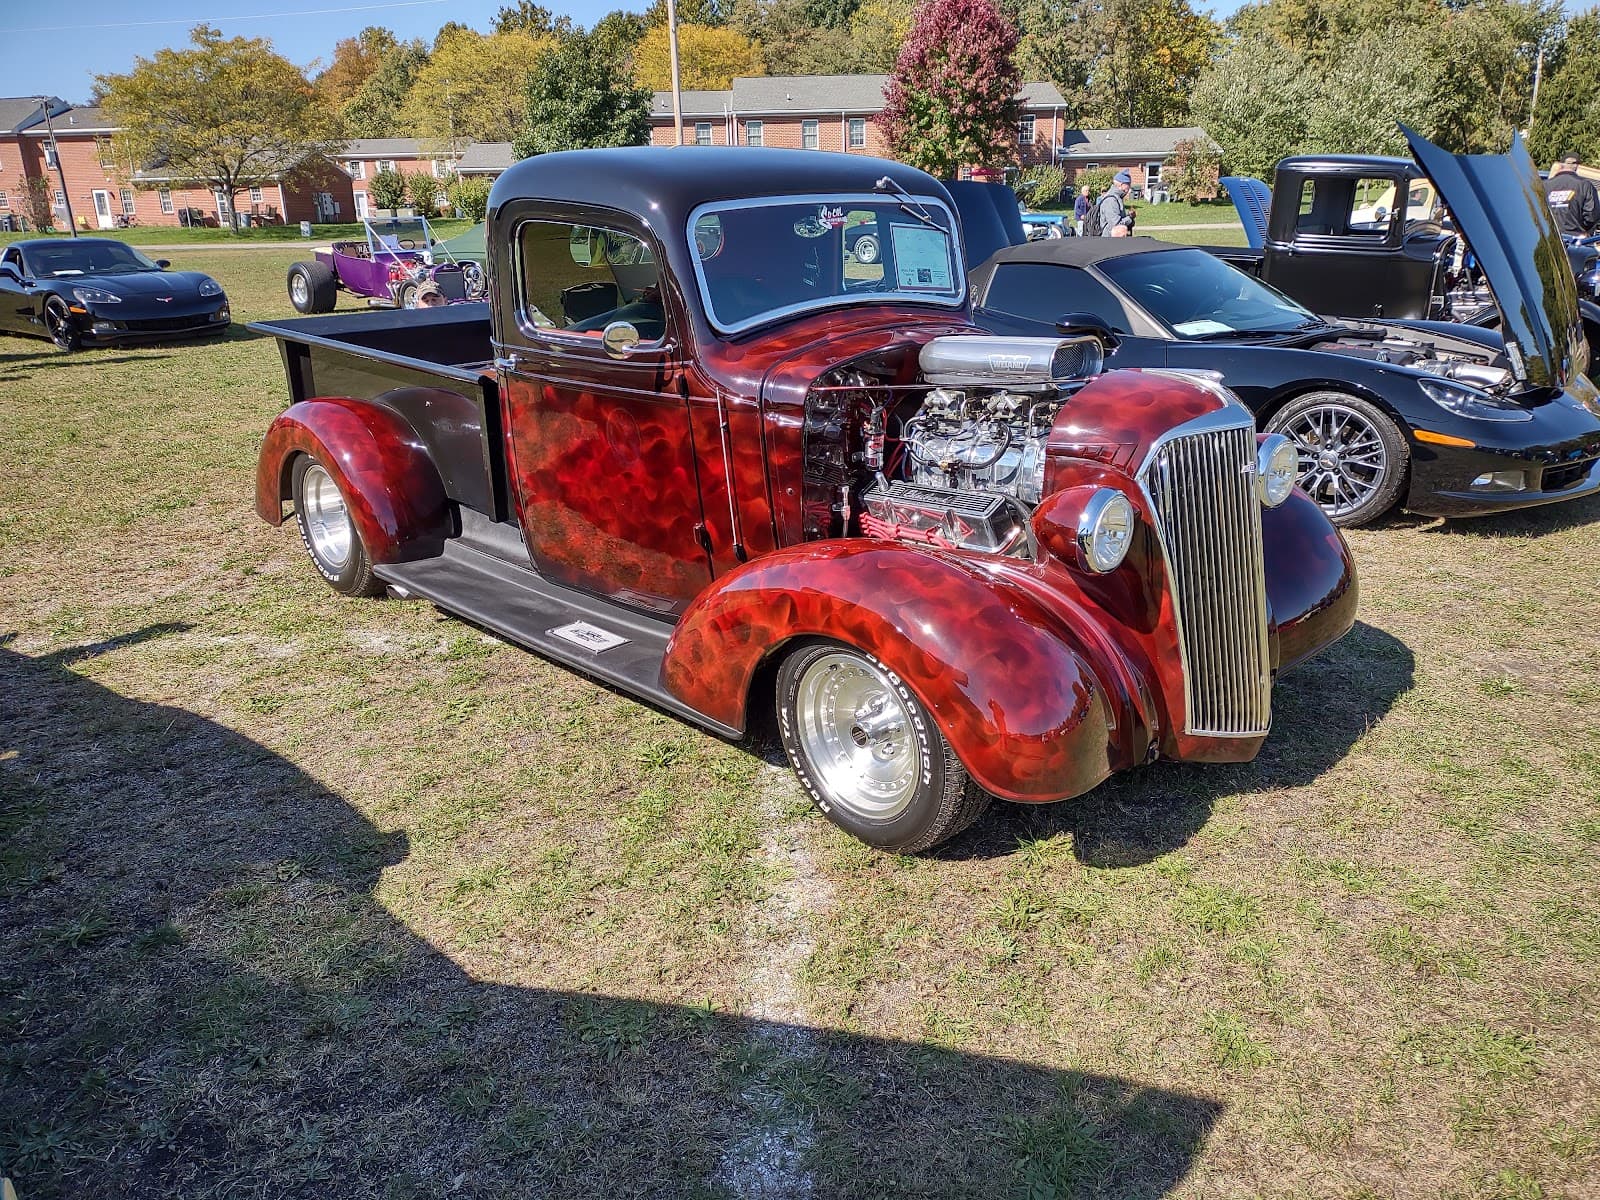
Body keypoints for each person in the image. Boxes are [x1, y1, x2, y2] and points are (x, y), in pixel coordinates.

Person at [1542, 154, 1600, 239]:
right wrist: (1584, 230)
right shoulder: (1585, 185)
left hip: (1551, 239)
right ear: (1576, 166)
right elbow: (1592, 215)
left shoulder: (1545, 185)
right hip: (1576, 239)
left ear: (1561, 165)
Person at [1094, 170, 1135, 237]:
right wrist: (1130, 218)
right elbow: (1116, 225)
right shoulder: (1111, 200)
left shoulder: (1117, 198)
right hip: (1110, 241)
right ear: (1122, 185)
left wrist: (1129, 217)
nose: (1129, 188)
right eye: (1128, 185)